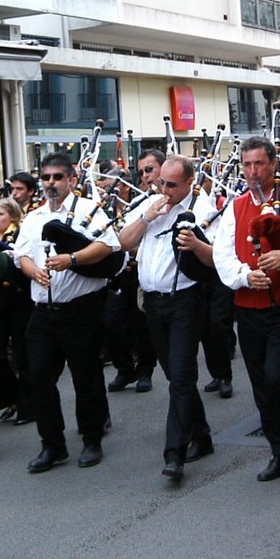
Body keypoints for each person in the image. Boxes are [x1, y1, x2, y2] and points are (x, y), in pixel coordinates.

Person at [212, 137, 280, 484]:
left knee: (279, 376)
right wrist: (245, 275)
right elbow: (222, 255)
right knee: (260, 384)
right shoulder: (235, 207)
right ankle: (278, 451)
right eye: (247, 165)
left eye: (258, 164)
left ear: (273, 164)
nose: (252, 171)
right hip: (249, 307)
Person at [14, 153, 120, 472]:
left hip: (80, 310)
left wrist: (71, 259)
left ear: (71, 179)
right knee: (40, 379)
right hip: (43, 312)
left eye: (57, 177)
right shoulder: (33, 218)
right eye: (46, 178)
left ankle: (91, 439)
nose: (51, 184)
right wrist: (34, 272)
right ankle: (52, 445)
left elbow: (108, 246)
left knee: (85, 377)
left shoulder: (89, 210)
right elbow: (21, 255)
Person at [118, 155, 215, 481]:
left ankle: (175, 453)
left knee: (182, 377)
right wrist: (146, 218)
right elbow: (123, 243)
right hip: (153, 304)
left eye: (172, 185)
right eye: (162, 182)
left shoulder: (201, 207)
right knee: (175, 374)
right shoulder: (150, 203)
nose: (165, 189)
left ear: (189, 183)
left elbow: (217, 257)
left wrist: (196, 242)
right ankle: (202, 435)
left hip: (186, 300)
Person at [106, 149, 161, 394]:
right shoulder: (125, 207)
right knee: (112, 322)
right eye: (141, 172)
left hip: (143, 273)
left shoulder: (154, 202)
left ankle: (145, 371)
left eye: (149, 169)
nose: (145, 176)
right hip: (121, 274)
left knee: (141, 325)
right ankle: (124, 368)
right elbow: (120, 238)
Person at [0, 198, 33, 426]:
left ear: (13, 216)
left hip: (19, 298)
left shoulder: (19, 234)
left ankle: (27, 404)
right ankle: (9, 398)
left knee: (22, 354)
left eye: (1, 214)